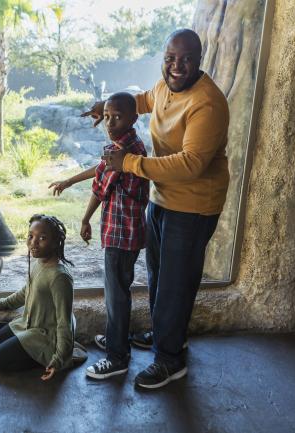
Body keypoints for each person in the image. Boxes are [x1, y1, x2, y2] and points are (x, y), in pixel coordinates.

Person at [82, 29, 230, 389]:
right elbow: (143, 100)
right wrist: (109, 107)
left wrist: (129, 163)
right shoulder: (165, 87)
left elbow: (192, 163)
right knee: (160, 277)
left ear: (199, 60)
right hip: (163, 198)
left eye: (185, 59)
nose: (176, 66)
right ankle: (166, 334)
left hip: (193, 206)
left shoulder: (206, 103)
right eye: (170, 58)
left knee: (176, 286)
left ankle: (170, 359)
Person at [79, 92, 149, 380]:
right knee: (118, 291)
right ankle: (116, 337)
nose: (110, 122)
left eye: (117, 117)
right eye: (106, 116)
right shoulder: (132, 144)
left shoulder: (122, 152)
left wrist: (85, 219)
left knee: (116, 297)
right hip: (126, 235)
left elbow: (99, 188)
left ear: (134, 118)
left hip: (120, 236)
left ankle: (117, 357)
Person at [0, 214, 75, 381]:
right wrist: (2, 304)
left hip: (45, 334)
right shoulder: (39, 262)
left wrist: (59, 360)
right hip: (29, 323)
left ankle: (47, 358)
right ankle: (29, 350)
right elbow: (26, 291)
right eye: (31, 236)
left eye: (42, 238)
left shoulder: (60, 277)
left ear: (55, 242)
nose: (33, 243)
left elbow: (64, 322)